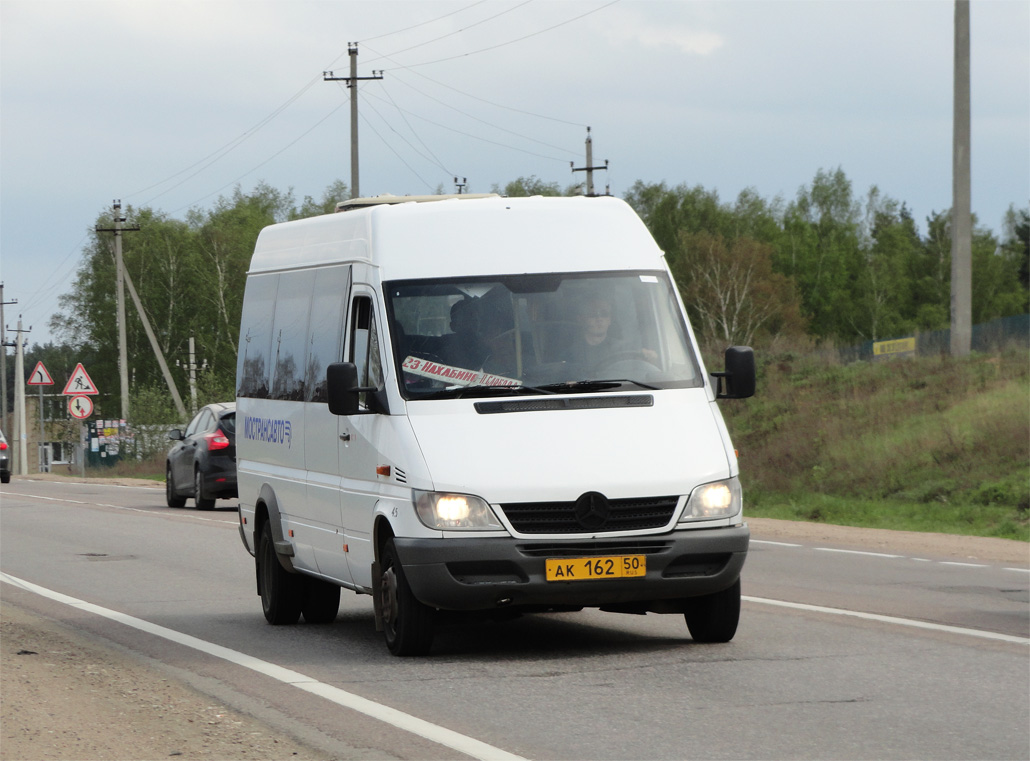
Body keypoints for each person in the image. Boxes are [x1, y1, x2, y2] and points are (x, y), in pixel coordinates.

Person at [438, 298, 490, 370]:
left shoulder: (490, 346)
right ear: (453, 326)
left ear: (480, 323)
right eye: (465, 321)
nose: (471, 326)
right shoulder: (442, 348)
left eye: (474, 321)